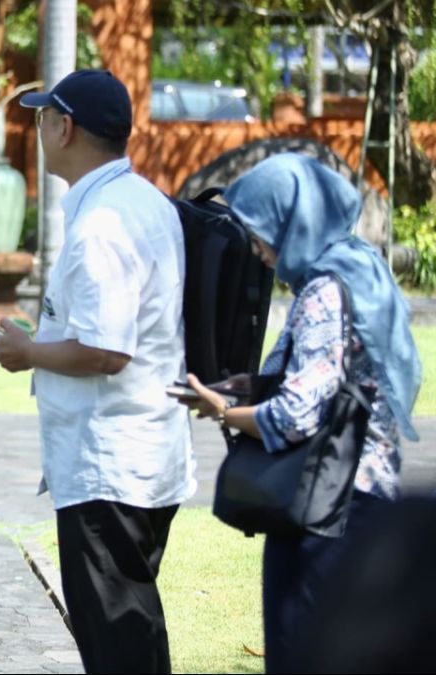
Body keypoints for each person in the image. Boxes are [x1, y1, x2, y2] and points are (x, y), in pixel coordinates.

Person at [0, 69, 195, 673]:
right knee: (133, 625)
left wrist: (27, 352)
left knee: (116, 642)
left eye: (43, 116)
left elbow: (107, 350)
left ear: (65, 126)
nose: (40, 128)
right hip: (142, 450)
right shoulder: (144, 200)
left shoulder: (103, 223)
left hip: (109, 464)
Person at [181, 153, 422, 674]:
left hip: (326, 507)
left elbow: (296, 414)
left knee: (301, 653)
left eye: (262, 230)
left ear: (293, 222)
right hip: (367, 493)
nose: (257, 247)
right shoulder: (362, 268)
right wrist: (252, 386)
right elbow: (342, 375)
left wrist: (221, 408)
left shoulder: (322, 291)